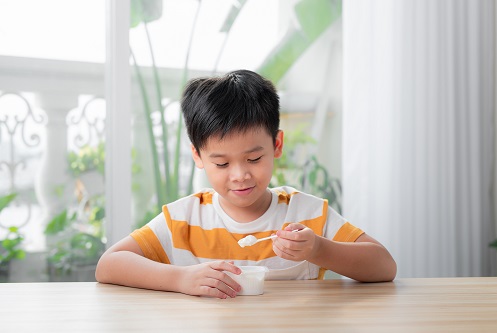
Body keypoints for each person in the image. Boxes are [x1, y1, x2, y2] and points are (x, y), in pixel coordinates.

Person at [95, 69, 397, 299]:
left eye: (253, 159)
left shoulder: (305, 214)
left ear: (276, 145)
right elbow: (109, 265)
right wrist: (181, 279)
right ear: (198, 156)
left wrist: (318, 248)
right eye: (222, 164)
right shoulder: (183, 220)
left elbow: (384, 267)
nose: (239, 175)